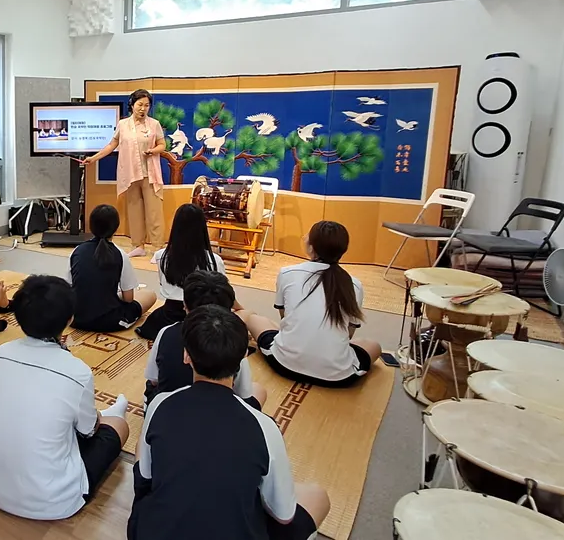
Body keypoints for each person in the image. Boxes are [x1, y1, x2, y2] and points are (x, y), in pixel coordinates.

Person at [128, 305, 330, 540]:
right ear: (243, 358)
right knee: (316, 496)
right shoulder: (264, 426)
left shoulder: (159, 404)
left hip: (149, 532)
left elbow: (144, 478)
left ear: (186, 356)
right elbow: (283, 514)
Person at [0, 275, 130, 520]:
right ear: (69, 320)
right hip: (52, 501)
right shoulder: (77, 371)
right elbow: (88, 431)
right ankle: (114, 412)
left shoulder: (0, 354)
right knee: (118, 426)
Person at [243, 220, 382, 388]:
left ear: (311, 247)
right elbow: (349, 334)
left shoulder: (288, 273)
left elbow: (285, 318)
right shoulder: (354, 285)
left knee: (252, 319)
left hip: (284, 365)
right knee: (374, 345)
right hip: (339, 377)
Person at [143, 271, 265, 408]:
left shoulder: (166, 332)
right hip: (219, 413)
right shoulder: (234, 342)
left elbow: (153, 379)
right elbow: (243, 393)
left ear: (185, 305)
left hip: (166, 408)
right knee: (259, 391)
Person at [138, 203, 240, 340]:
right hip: (204, 319)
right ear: (202, 229)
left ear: (175, 227)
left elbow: (164, 285)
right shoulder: (214, 260)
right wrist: (241, 309)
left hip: (168, 317)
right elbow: (222, 294)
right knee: (243, 318)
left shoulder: (161, 255)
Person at [84, 89, 166, 257]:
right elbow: (111, 145)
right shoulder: (123, 125)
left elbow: (162, 145)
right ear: (132, 105)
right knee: (134, 210)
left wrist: (153, 150)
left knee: (154, 212)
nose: (143, 109)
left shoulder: (154, 124)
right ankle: (138, 245)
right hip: (131, 173)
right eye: (140, 105)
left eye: (147, 105)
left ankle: (158, 249)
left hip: (150, 174)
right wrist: (93, 158)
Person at [69, 204, 157, 332]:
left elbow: (68, 288)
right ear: (115, 228)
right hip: (110, 322)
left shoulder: (77, 251)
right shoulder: (120, 254)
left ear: (91, 225)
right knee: (150, 295)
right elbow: (129, 299)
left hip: (77, 319)